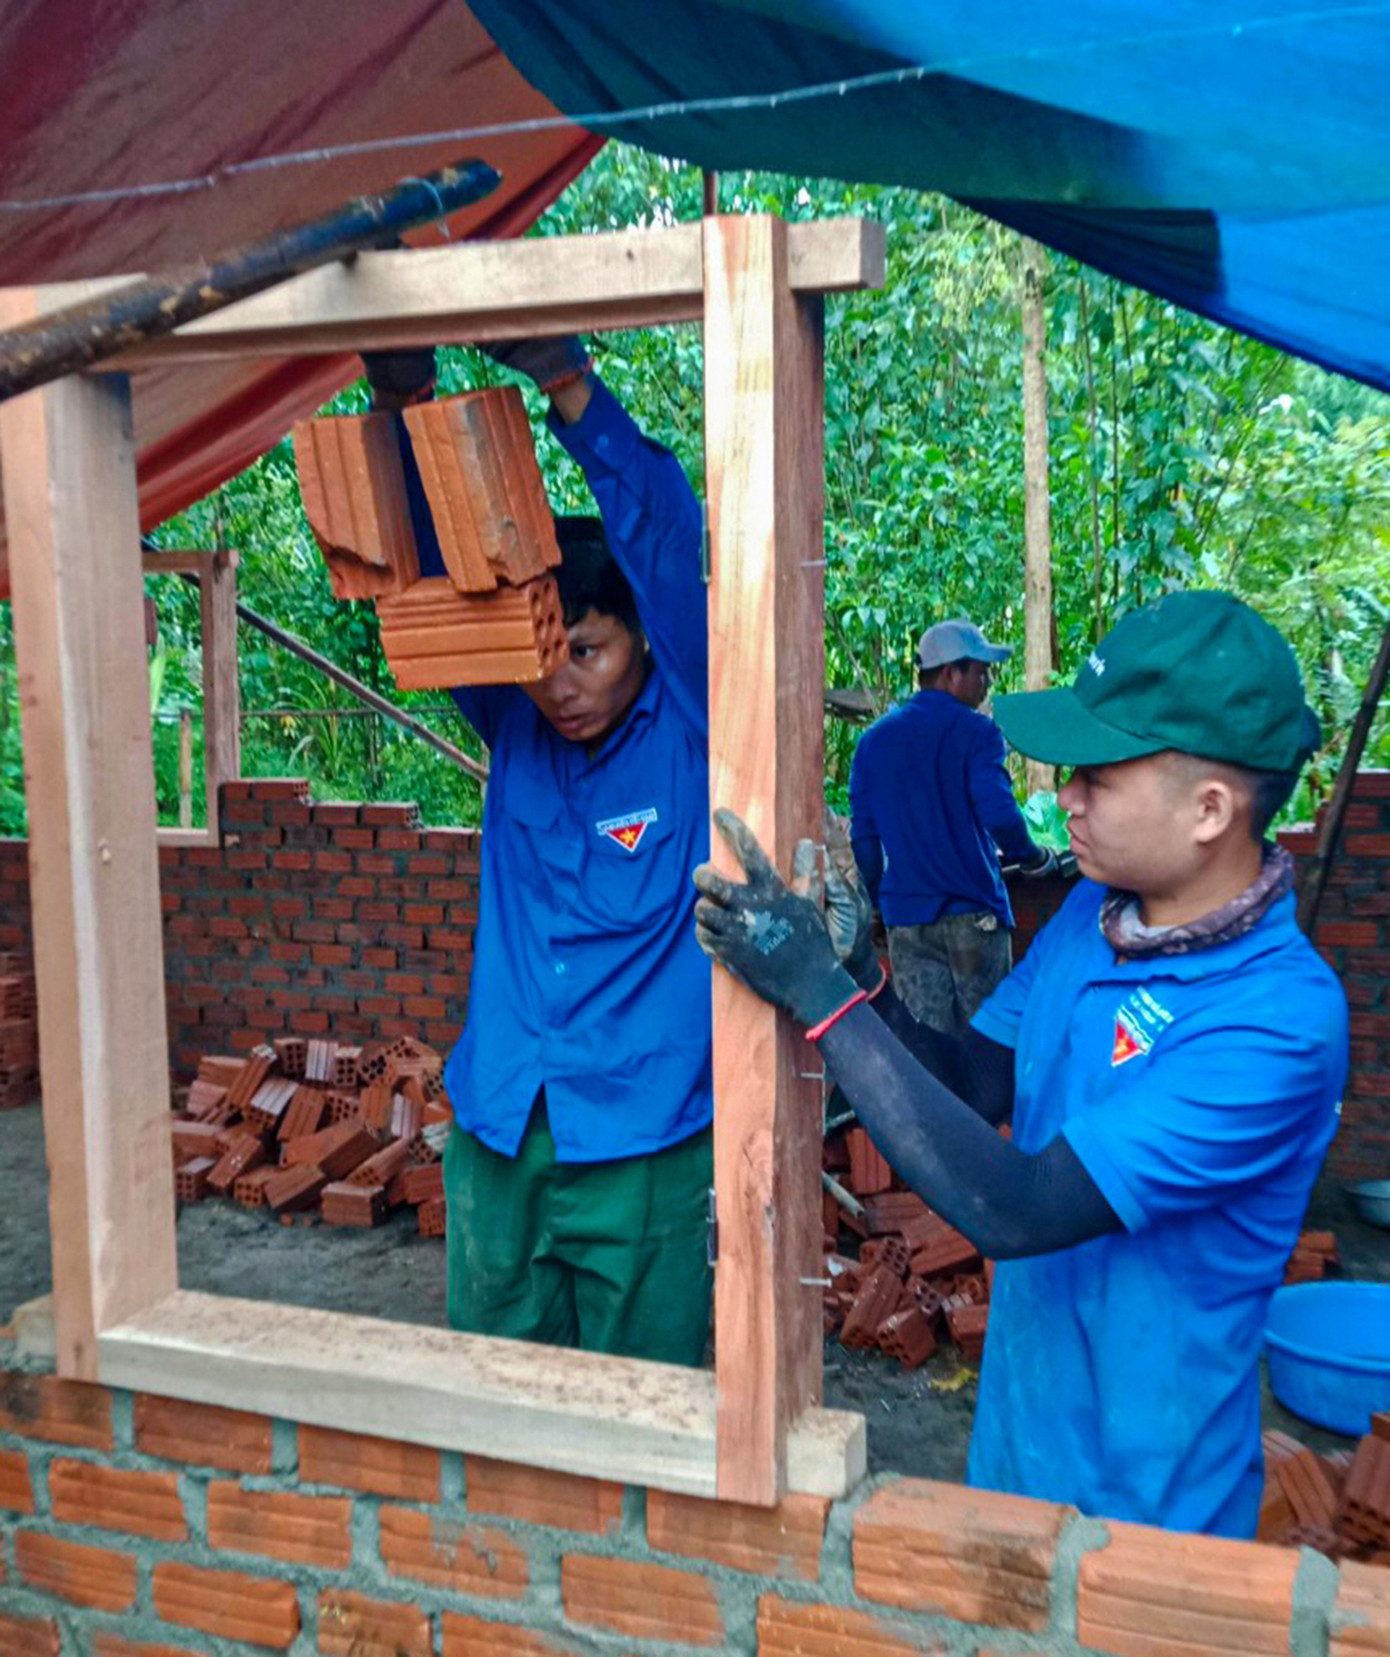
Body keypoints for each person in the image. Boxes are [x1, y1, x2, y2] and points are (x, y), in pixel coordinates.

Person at [694, 591, 1347, 1537]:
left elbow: (1017, 1204)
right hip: (1014, 1458)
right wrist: (857, 977)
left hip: (1148, 1517)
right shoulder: (1094, 917)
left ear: (1211, 808)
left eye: (1099, 776)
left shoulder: (1279, 1020)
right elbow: (967, 1080)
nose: (1066, 795)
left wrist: (815, 996)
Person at [367, 338, 712, 1365]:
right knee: (497, 1403)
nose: (561, 684)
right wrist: (403, 404)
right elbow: (441, 575)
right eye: (546, 656)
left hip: (642, 1143)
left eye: (591, 652)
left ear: (643, 642)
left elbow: (660, 530)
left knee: (644, 1414)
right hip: (501, 1131)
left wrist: (567, 387)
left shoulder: (690, 727)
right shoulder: (512, 714)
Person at [850, 618, 1056, 1034]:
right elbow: (998, 813)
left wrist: (877, 902)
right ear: (951, 673)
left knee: (929, 1054)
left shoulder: (874, 741)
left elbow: (865, 841)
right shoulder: (977, 731)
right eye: (981, 671)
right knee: (990, 1043)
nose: (987, 681)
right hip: (972, 912)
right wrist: (1033, 857)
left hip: (906, 920)